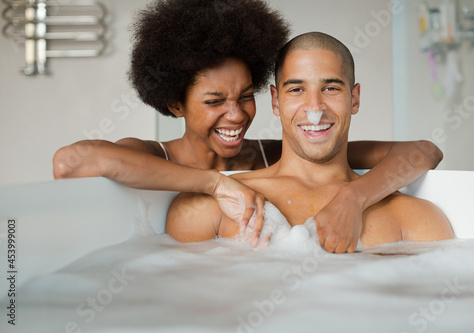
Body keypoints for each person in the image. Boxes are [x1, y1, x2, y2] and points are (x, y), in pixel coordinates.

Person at [53, 0, 443, 252]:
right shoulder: (164, 167)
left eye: (243, 96)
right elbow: (73, 162)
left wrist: (354, 197)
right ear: (175, 104)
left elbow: (419, 151)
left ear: (354, 98)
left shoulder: (265, 151)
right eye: (213, 101)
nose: (236, 115)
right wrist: (215, 184)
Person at [165, 32, 454, 249]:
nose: (314, 109)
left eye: (330, 88)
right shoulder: (206, 209)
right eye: (296, 90)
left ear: (354, 99)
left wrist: (354, 198)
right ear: (276, 101)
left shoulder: (414, 219)